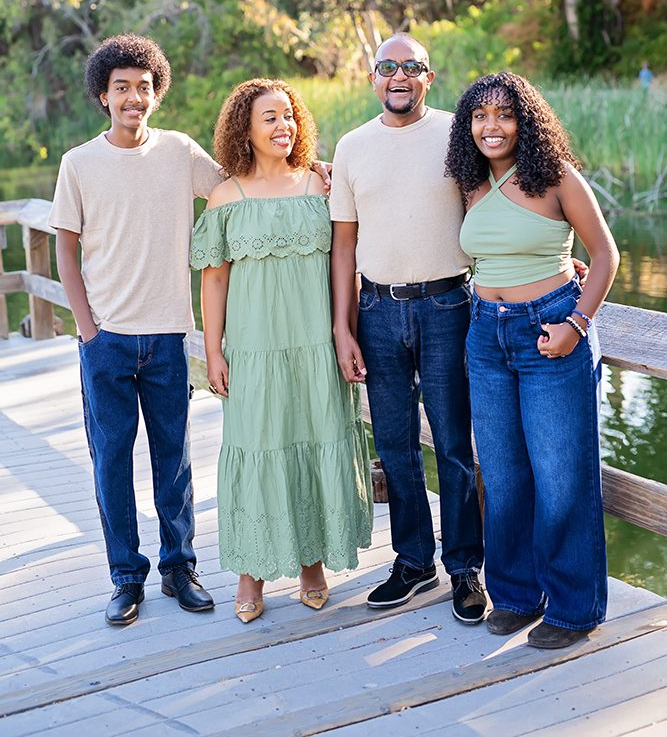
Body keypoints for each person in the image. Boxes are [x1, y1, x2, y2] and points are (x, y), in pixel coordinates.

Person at [50, 34, 219, 626]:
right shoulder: (78, 164)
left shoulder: (179, 151)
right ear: (104, 94)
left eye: (144, 88)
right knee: (112, 462)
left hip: (169, 336)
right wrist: (89, 329)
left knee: (174, 459)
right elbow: (65, 255)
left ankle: (180, 567)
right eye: (122, 87)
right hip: (108, 342)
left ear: (156, 94)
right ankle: (126, 577)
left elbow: (237, 187)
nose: (134, 98)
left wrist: (308, 170)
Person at [446, 71, 619, 649]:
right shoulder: (471, 183)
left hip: (550, 331)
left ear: (526, 122)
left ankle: (575, 609)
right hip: (485, 334)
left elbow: (604, 255)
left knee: (561, 477)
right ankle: (518, 595)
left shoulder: (555, 177)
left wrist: (576, 325)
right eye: (479, 116)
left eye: (504, 115)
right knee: (503, 474)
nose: (491, 127)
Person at [190, 78, 372, 624]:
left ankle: (313, 561)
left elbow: (353, 254)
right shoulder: (227, 196)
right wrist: (213, 350)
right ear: (244, 126)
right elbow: (214, 281)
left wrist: (346, 331)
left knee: (316, 438)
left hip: (317, 342)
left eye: (289, 115)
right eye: (269, 117)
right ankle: (252, 572)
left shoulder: (322, 185)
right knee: (259, 445)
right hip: (254, 348)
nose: (282, 126)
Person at [329, 33, 487, 623]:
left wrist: (554, 255)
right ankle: (414, 563)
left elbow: (491, 207)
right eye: (387, 68)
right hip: (375, 310)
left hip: (448, 306)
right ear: (372, 79)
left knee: (453, 443)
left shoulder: (456, 133)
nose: (399, 77)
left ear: (428, 76)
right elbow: (343, 247)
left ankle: (465, 569)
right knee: (394, 444)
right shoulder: (352, 146)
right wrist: (344, 329)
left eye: (411, 67)